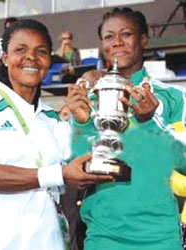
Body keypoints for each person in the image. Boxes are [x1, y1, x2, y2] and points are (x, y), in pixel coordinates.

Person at [0, 19, 113, 250]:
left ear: (49, 60)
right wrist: (59, 174)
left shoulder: (51, 118)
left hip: (47, 241)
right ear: (5, 57)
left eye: (41, 51)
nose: (31, 58)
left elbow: (82, 166)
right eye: (20, 50)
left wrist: (84, 122)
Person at [67, 7, 186, 250]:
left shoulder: (174, 97)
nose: (117, 42)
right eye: (109, 37)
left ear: (143, 39)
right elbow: (75, 170)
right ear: (102, 44)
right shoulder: (88, 100)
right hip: (103, 234)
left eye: (126, 34)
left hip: (159, 236)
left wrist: (150, 122)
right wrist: (80, 124)